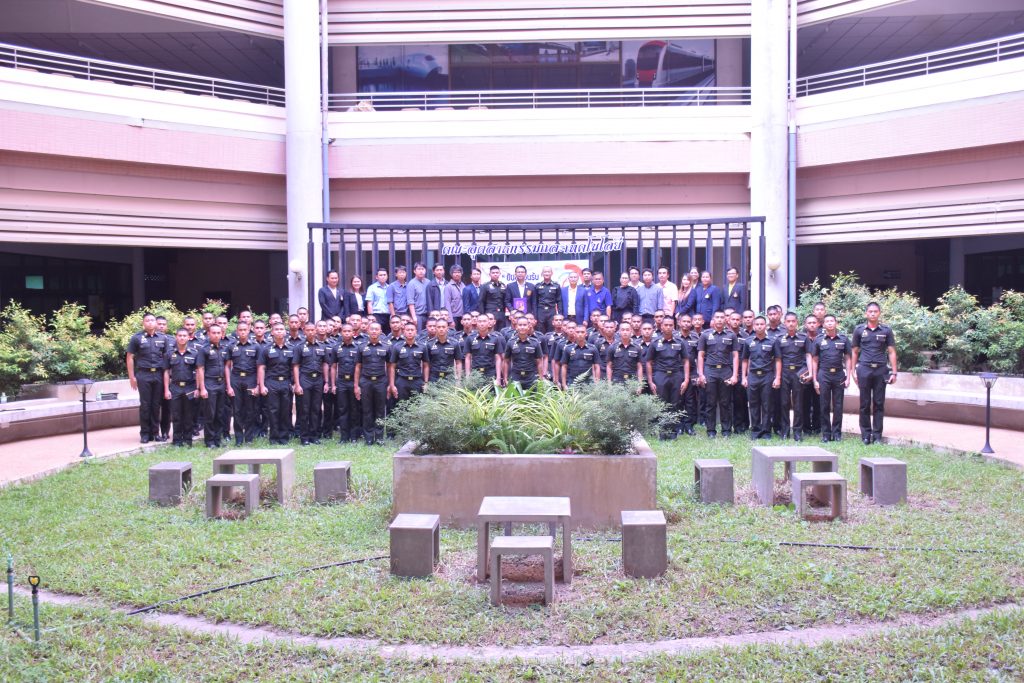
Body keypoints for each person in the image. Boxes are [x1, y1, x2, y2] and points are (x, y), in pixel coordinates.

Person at [851, 301, 898, 445]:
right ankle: (866, 434)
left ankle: (877, 436)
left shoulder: (886, 330)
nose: (872, 314)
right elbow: (854, 351)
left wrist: (894, 372)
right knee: (864, 403)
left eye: (875, 311)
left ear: (879, 313)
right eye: (870, 311)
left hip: (881, 370)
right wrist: (853, 370)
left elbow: (891, 351)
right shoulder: (859, 330)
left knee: (879, 403)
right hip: (864, 369)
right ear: (866, 313)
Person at [126, 312, 168, 444]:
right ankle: (145, 433)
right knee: (145, 405)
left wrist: (167, 377)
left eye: (152, 320)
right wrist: (132, 377)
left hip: (159, 374)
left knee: (156, 405)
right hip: (143, 374)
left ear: (156, 323)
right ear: (143, 323)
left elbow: (166, 358)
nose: (150, 322)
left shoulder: (163, 338)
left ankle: (155, 433)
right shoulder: (136, 338)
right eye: (147, 320)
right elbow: (129, 357)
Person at [810, 314, 852, 442]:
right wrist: (815, 380)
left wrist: (848, 377)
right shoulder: (819, 340)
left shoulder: (843, 339)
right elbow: (814, 360)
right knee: (824, 405)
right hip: (824, 375)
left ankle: (837, 433)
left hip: (839, 375)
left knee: (838, 405)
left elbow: (848, 358)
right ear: (823, 325)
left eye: (832, 321)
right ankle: (826, 434)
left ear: (836, 323)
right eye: (827, 321)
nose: (829, 323)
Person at [645, 317, 690, 439]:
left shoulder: (680, 342)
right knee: (661, 403)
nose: (668, 327)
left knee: (675, 403)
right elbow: (648, 362)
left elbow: (686, 361)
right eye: (666, 325)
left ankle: (673, 432)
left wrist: (686, 379)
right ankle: (663, 432)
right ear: (661, 326)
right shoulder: (655, 343)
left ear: (674, 327)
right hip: (660, 375)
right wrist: (650, 381)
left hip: (676, 375)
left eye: (671, 325)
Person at [697, 310, 739, 438]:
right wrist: (701, 374)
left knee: (726, 402)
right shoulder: (705, 335)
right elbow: (700, 355)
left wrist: (735, 375)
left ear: (725, 320)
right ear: (713, 319)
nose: (720, 319)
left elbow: (736, 356)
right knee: (710, 402)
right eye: (717, 317)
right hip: (710, 371)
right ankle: (711, 430)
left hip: (726, 371)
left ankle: (726, 430)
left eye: (722, 317)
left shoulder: (731, 335)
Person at [742, 315, 779, 440]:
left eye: (761, 324)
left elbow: (778, 360)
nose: (759, 326)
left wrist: (777, 377)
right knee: (753, 404)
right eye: (757, 324)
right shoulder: (748, 341)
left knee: (767, 404)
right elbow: (745, 360)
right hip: (752, 376)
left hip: (767, 376)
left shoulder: (772, 341)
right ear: (753, 326)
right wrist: (744, 377)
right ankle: (756, 430)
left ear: (766, 326)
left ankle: (766, 431)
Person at [291, 321, 329, 446]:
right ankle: (304, 437)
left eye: (313, 330)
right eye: (308, 330)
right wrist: (297, 384)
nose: (311, 332)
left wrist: (326, 382)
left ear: (316, 330)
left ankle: (314, 436)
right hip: (305, 379)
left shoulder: (322, 346)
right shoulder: (299, 347)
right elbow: (296, 366)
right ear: (304, 331)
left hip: (318, 380)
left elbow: (325, 364)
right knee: (304, 409)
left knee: (316, 409)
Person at [774, 311, 809, 441]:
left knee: (798, 403)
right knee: (784, 403)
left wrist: (808, 372)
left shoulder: (803, 338)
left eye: (793, 321)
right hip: (784, 373)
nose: (791, 324)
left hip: (799, 373)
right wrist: (778, 377)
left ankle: (798, 432)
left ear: (797, 323)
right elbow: (778, 359)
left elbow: (808, 356)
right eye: (788, 321)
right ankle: (785, 431)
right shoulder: (779, 339)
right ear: (784, 323)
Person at [257, 322, 294, 445]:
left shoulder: (291, 348)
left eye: (281, 329)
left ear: (285, 332)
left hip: (286, 382)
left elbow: (294, 367)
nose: (279, 331)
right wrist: (262, 385)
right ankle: (274, 437)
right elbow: (261, 368)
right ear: (272, 332)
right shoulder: (266, 349)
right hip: (271, 382)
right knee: (273, 410)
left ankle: (284, 437)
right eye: (276, 329)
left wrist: (293, 383)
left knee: (285, 410)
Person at [163, 328, 199, 448]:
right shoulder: (169, 353)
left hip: (190, 387)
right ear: (176, 337)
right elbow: (166, 372)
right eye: (180, 335)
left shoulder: (194, 353)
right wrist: (166, 389)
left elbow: (199, 371)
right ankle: (177, 440)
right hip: (175, 387)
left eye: (184, 336)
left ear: (188, 337)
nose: (182, 338)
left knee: (189, 415)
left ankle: (188, 440)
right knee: (176, 415)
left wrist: (198, 388)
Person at [354, 322, 389, 445]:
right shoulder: (361, 347)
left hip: (381, 381)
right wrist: (356, 385)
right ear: (368, 331)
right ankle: (368, 437)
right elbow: (358, 367)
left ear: (380, 331)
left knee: (380, 410)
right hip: (366, 381)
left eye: (376, 329)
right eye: (372, 329)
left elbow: (390, 366)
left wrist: (389, 384)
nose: (374, 331)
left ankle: (379, 437)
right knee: (367, 410)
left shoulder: (386, 347)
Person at [196, 324, 229, 448]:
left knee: (220, 413)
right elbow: (200, 369)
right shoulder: (203, 350)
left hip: (221, 384)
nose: (216, 335)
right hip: (209, 383)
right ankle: (209, 441)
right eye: (213, 333)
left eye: (218, 333)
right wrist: (202, 388)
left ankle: (217, 439)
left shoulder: (224, 348)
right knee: (210, 414)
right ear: (208, 334)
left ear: (222, 334)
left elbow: (227, 366)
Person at [226, 320, 259, 445]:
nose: (243, 332)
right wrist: (229, 386)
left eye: (245, 330)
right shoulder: (231, 346)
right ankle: (239, 439)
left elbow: (260, 367)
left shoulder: (256, 346)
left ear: (249, 330)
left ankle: (249, 438)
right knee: (237, 410)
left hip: (251, 379)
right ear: (237, 331)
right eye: (240, 330)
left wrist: (258, 385)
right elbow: (227, 367)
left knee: (250, 409)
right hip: (236, 379)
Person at [332, 322, 361, 443]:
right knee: (342, 408)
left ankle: (354, 436)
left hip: (354, 381)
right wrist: (333, 384)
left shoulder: (358, 347)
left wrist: (357, 385)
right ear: (341, 333)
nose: (347, 333)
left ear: (353, 333)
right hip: (342, 381)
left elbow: (360, 367)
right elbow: (333, 367)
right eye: (344, 331)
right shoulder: (336, 348)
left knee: (354, 409)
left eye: (349, 331)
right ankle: (344, 436)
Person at [388, 321, 427, 403]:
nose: (410, 332)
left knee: (417, 406)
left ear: (416, 332)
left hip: (417, 380)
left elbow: (426, 365)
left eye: (412, 330)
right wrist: (392, 385)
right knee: (401, 406)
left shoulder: (422, 347)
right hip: (402, 381)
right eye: (408, 330)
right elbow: (392, 367)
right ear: (404, 332)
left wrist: (426, 382)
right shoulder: (397, 347)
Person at [504, 317, 544, 389]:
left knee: (532, 396)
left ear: (528, 326)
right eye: (520, 325)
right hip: (515, 377)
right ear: (516, 327)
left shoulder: (535, 342)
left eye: (524, 325)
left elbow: (539, 362)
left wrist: (541, 378)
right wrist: (505, 378)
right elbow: (506, 361)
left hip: (531, 378)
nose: (522, 327)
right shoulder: (510, 342)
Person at [465, 314, 506, 380]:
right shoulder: (470, 338)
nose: (482, 324)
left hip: (491, 373)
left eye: (484, 321)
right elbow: (468, 358)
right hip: (475, 373)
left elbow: (498, 359)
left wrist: (498, 377)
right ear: (476, 323)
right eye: (480, 321)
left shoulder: (495, 338)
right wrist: (468, 376)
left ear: (488, 323)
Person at [607, 323, 644, 388]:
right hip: (617, 380)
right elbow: (609, 366)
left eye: (627, 330)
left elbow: (639, 367)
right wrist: (609, 383)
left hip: (632, 380)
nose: (625, 332)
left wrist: (640, 385)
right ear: (619, 331)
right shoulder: (612, 347)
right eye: (623, 330)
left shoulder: (637, 347)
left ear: (631, 331)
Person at [534, 266, 561, 333]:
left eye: (548, 272)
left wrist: (560, 314)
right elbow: (535, 302)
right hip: (540, 311)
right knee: (540, 330)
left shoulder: (556, 286)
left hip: (552, 311)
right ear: (542, 273)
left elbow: (559, 301)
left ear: (551, 273)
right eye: (545, 272)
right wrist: (535, 315)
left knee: (552, 331)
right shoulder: (537, 286)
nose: (546, 273)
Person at [366, 268, 391, 333]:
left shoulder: (390, 288)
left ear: (387, 276)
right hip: (376, 315)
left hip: (388, 315)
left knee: (387, 334)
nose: (383, 277)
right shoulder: (372, 288)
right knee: (377, 333)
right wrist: (371, 316)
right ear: (376, 277)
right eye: (381, 275)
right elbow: (369, 303)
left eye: (384, 275)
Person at [407, 262, 429, 330]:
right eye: (419, 269)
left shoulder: (428, 282)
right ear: (414, 271)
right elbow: (410, 301)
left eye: (422, 269)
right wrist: (414, 316)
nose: (421, 271)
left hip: (428, 314)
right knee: (418, 334)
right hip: (417, 315)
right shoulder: (411, 283)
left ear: (425, 270)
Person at [443, 265, 466, 330]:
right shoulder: (448, 286)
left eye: (458, 272)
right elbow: (447, 303)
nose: (457, 274)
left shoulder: (463, 285)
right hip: (454, 316)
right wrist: (450, 320)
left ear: (461, 273)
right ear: (451, 274)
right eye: (455, 272)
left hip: (463, 316)